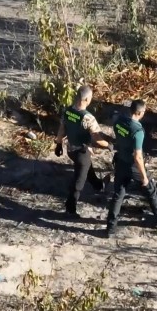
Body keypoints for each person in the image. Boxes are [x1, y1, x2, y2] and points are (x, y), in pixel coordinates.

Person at [106, 99, 157, 235]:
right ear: (140, 112)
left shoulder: (119, 122)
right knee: (150, 190)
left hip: (120, 162)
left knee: (118, 194)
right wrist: (144, 177)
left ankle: (110, 228)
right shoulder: (138, 131)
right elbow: (138, 157)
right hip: (133, 165)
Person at [54, 85, 110, 219]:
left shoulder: (67, 111)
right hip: (82, 152)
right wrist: (109, 145)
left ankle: (98, 185)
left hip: (71, 150)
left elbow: (62, 129)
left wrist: (58, 144)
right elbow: (97, 139)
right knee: (78, 182)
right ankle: (70, 208)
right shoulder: (88, 118)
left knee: (85, 167)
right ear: (86, 99)